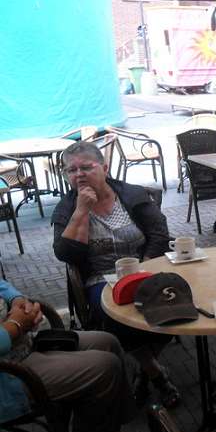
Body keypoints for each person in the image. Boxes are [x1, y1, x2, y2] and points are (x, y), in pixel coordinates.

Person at [51, 141, 180, 408]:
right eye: (71, 170)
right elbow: (66, 254)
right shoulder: (66, 208)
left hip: (145, 269)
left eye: (87, 167)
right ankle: (157, 375)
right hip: (100, 278)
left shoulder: (130, 195)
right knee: (115, 314)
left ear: (105, 168)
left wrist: (146, 267)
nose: (79, 174)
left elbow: (159, 233)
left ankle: (144, 369)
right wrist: (81, 211)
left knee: (175, 302)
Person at [0, 279, 151, 432]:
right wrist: (15, 325)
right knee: (106, 366)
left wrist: (17, 300)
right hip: (10, 374)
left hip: (24, 346)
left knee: (108, 342)